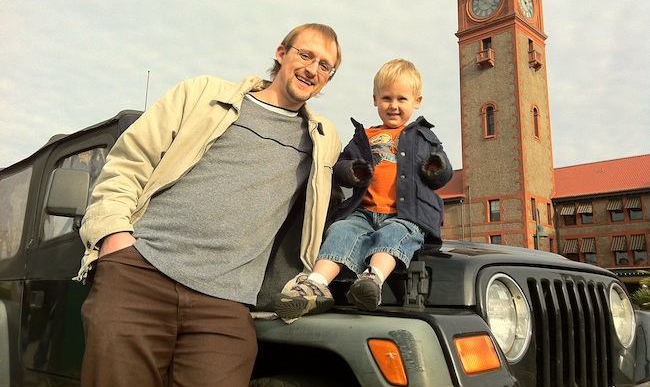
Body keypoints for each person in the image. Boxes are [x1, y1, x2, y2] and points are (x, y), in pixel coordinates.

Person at [76, 23, 342, 386]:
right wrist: (114, 238)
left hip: (225, 305)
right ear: (281, 54)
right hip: (140, 274)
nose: (313, 69)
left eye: (326, 65)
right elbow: (129, 162)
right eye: (306, 55)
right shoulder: (202, 95)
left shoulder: (323, 140)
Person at [273, 59, 452, 320]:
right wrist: (351, 171)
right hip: (364, 211)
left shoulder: (424, 137)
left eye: (402, 99)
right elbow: (342, 166)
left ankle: (372, 280)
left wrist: (436, 166)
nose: (393, 105)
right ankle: (316, 285)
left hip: (406, 214)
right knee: (340, 230)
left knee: (394, 235)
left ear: (417, 101)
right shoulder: (364, 136)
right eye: (387, 98)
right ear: (375, 99)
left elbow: (441, 176)